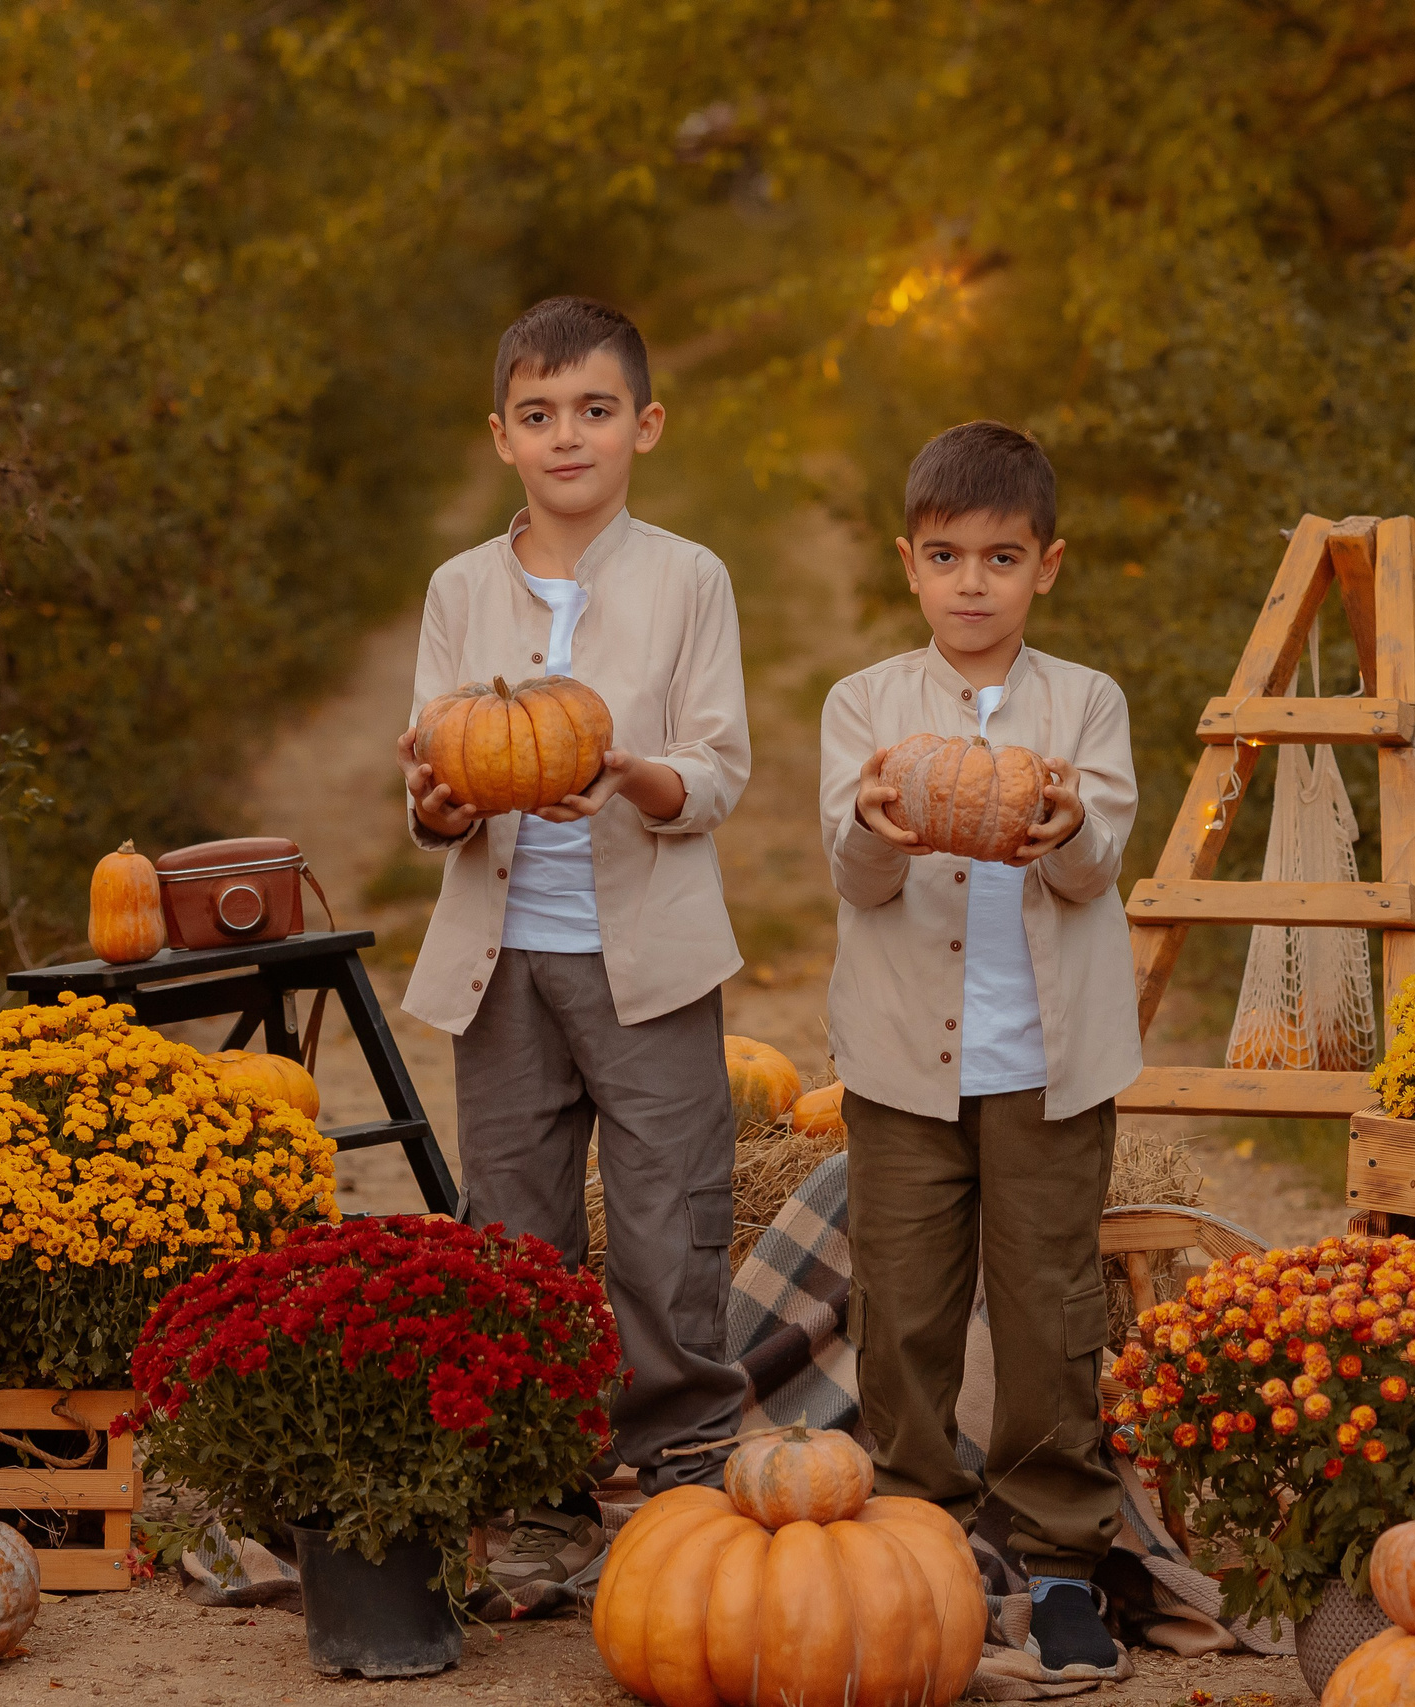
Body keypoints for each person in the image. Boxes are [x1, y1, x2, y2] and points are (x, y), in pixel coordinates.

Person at [395, 295, 750, 1593]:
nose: (568, 437)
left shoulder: (687, 579)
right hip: (502, 963)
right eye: (539, 415)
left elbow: (718, 769)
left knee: (668, 1217)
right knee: (517, 1233)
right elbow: (434, 789)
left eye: (595, 411)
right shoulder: (456, 592)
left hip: (646, 953)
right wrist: (437, 800)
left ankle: (682, 1482)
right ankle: (543, 1494)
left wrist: (628, 772)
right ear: (501, 435)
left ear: (643, 426)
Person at [818, 420, 1141, 1679]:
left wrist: (1060, 824)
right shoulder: (867, 706)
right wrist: (877, 824)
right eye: (946, 556)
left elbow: (1091, 867)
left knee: (1051, 1309)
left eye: (999, 559)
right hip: (904, 1064)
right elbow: (852, 881)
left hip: (1049, 1069)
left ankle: (1060, 1553)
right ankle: (919, 1532)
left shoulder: (1088, 705)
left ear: (1045, 567)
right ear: (910, 563)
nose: (971, 583)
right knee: (901, 1309)